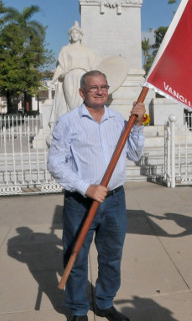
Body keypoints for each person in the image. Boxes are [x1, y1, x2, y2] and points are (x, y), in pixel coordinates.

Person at [47, 70, 145, 321]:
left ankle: (104, 302)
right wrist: (86, 187)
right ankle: (79, 309)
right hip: (80, 202)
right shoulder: (68, 122)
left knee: (112, 256)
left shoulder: (117, 119)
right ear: (82, 92)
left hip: (114, 200)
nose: (100, 91)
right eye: (94, 88)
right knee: (76, 256)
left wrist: (137, 124)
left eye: (104, 86)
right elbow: (56, 164)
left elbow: (134, 154)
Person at [50, 21, 101, 123]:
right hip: (69, 76)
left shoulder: (88, 51)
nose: (74, 35)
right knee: (71, 104)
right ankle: (72, 125)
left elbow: (95, 65)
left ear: (80, 35)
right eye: (72, 33)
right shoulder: (65, 49)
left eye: (76, 33)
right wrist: (53, 80)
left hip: (83, 77)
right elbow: (61, 66)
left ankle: (83, 124)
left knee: (83, 100)